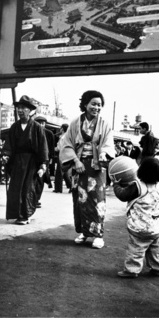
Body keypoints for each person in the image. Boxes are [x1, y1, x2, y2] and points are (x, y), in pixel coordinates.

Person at [59, 90, 115, 249]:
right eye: (93, 104)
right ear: (85, 104)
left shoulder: (104, 123)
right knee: (79, 199)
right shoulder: (75, 122)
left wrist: (104, 154)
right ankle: (84, 231)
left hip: (96, 166)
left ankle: (98, 234)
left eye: (99, 104)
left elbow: (107, 143)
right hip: (79, 165)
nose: (97, 107)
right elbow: (67, 144)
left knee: (97, 199)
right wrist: (76, 161)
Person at [111, 157, 159, 278]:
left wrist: (116, 184)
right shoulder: (158, 185)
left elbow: (123, 195)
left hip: (140, 228)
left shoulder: (138, 186)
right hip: (155, 227)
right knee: (155, 248)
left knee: (136, 249)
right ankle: (158, 268)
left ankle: (131, 270)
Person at [2, 95, 48, 225]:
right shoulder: (14, 127)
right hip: (17, 162)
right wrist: (6, 155)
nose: (20, 110)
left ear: (30, 110)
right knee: (16, 189)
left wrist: (43, 164)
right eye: (18, 108)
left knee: (28, 188)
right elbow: (9, 144)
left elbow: (43, 147)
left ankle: (25, 215)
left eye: (23, 108)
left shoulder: (37, 127)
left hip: (31, 163)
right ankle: (17, 214)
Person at [34, 115, 55, 206]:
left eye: (43, 123)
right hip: (33, 159)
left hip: (45, 159)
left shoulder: (49, 133)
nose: (41, 125)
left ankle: (37, 199)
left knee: (40, 179)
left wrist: (50, 160)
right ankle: (31, 198)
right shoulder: (31, 132)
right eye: (39, 123)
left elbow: (52, 147)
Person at [53, 123, 72, 193]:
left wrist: (55, 149)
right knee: (64, 172)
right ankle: (71, 186)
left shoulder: (63, 137)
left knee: (59, 172)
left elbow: (60, 147)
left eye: (61, 128)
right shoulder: (65, 136)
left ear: (63, 129)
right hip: (65, 155)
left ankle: (58, 188)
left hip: (61, 154)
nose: (60, 129)